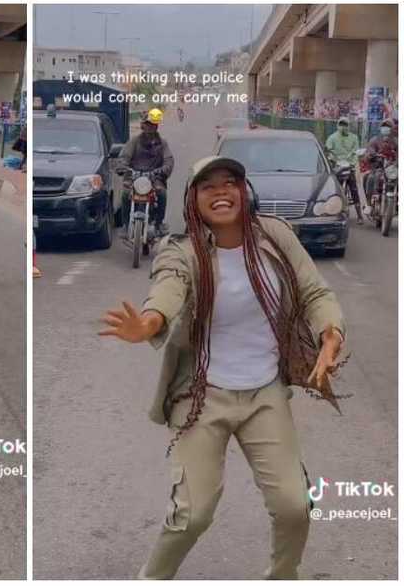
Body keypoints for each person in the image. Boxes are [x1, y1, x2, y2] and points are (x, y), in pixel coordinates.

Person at [99, 156, 346, 580]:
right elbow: (168, 288)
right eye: (208, 186)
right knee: (192, 515)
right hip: (201, 396)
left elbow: (314, 290)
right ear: (192, 199)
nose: (221, 192)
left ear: (243, 191)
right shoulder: (182, 250)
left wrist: (330, 332)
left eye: (230, 183)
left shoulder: (275, 236)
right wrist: (149, 322)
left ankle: (283, 576)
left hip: (264, 393)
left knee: (294, 506)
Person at [119, 108, 175, 236]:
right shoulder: (134, 141)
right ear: (142, 125)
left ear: (156, 126)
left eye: (153, 125)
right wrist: (123, 167)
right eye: (147, 124)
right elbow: (124, 157)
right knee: (125, 194)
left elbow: (169, 160)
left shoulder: (162, 143)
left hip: (155, 178)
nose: (150, 127)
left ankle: (159, 223)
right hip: (134, 177)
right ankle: (126, 224)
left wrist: (163, 170)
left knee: (162, 194)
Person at [324, 117, 364, 223]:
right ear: (337, 125)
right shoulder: (332, 138)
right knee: (333, 189)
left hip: (349, 166)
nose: (343, 127)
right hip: (337, 166)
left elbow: (356, 152)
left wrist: (353, 162)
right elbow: (328, 150)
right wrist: (332, 159)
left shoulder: (354, 138)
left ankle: (359, 215)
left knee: (354, 189)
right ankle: (330, 210)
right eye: (341, 124)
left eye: (345, 124)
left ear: (348, 126)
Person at [361, 118, 398, 209]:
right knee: (369, 178)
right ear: (380, 128)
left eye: (388, 126)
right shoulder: (375, 139)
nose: (386, 128)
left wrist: (395, 162)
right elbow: (369, 150)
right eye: (384, 126)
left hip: (392, 169)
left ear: (392, 128)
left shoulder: (396, 141)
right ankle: (369, 204)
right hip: (377, 167)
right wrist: (372, 155)